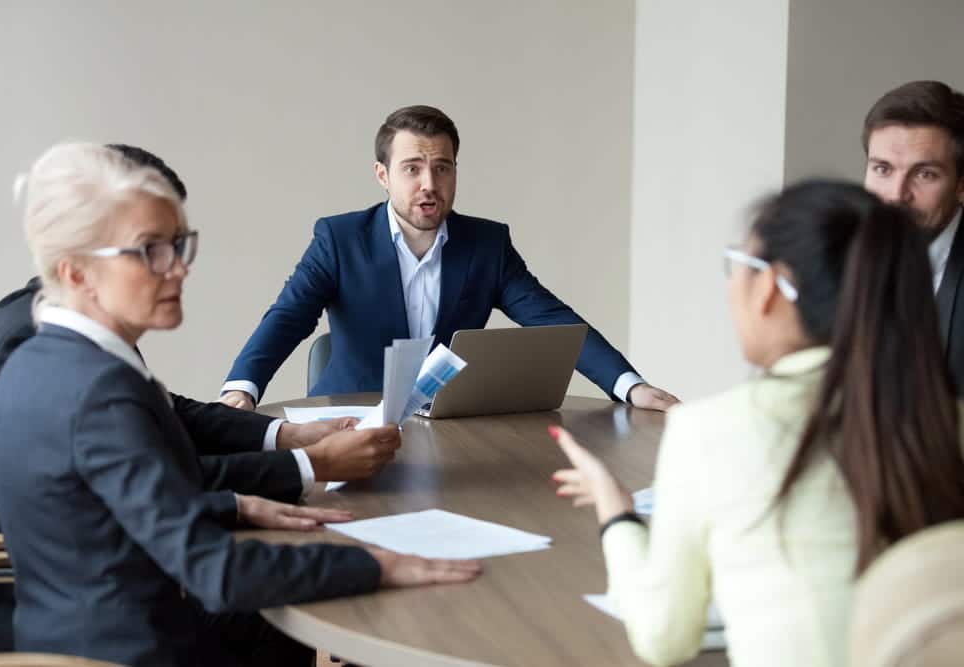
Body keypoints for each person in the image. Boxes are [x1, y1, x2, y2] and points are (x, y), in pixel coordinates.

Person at [0, 142, 480, 666]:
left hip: (64, 633)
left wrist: (234, 504)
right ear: (76, 272)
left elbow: (106, 506)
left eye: (179, 245)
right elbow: (213, 572)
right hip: (138, 648)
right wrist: (376, 565)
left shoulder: (40, 359)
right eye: (150, 249)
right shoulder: (98, 393)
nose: (177, 268)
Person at [549, 181, 964, 667]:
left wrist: (616, 513)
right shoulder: (944, 420)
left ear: (768, 288)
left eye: (737, 266)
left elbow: (665, 639)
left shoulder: (709, 430)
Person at [220, 105, 678, 412]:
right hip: (348, 424)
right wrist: (241, 388)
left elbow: (553, 320)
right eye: (412, 168)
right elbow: (288, 317)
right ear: (382, 175)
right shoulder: (339, 239)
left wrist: (629, 386)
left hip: (449, 429)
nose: (429, 183)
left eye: (442, 167)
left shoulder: (487, 245)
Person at [861, 80, 964, 392]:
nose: (896, 194)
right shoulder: (835, 258)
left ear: (961, 185)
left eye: (924, 174)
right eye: (883, 169)